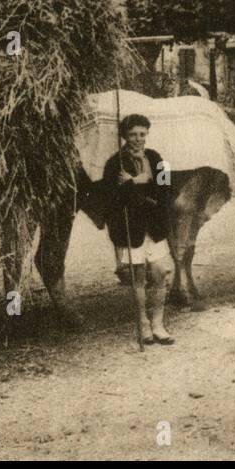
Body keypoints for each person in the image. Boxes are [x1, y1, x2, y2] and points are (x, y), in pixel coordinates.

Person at [101, 113, 175, 345]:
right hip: (131, 228)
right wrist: (130, 187)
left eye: (142, 134)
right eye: (132, 134)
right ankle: (143, 323)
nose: (137, 139)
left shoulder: (157, 158)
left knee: (160, 273)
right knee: (139, 277)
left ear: (147, 134)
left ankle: (158, 323)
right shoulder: (114, 163)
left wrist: (140, 180)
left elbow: (167, 189)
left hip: (154, 227)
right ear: (124, 136)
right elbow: (111, 200)